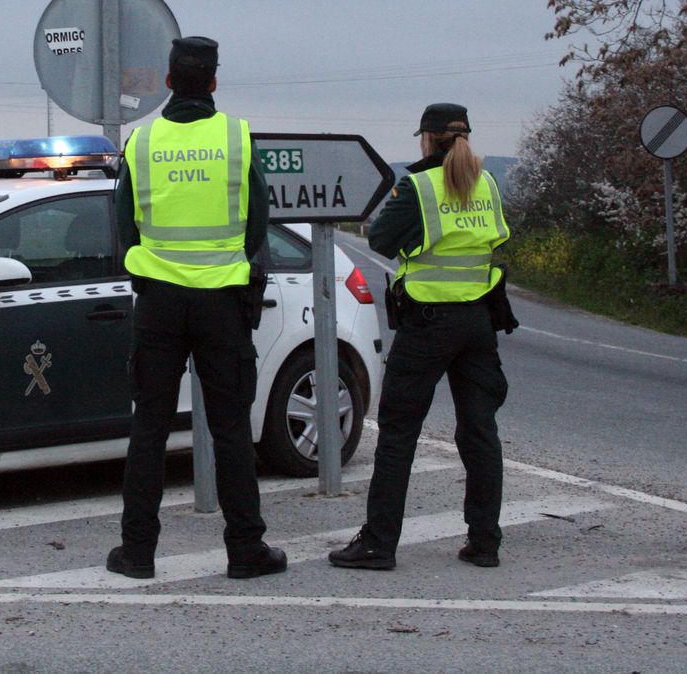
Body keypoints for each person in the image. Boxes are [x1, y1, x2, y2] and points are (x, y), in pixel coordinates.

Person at [107, 36, 286, 581]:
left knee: (150, 430)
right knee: (231, 429)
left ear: (167, 82)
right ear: (213, 82)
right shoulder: (236, 136)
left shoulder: (140, 143)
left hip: (159, 303)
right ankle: (245, 550)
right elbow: (258, 222)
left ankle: (137, 553)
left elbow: (122, 224)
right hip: (222, 304)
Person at [329, 102, 513, 571]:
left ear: (427, 139)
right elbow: (495, 240)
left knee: (398, 433)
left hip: (430, 323)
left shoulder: (419, 186)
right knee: (479, 431)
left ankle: (379, 543)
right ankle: (485, 542)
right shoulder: (487, 183)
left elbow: (382, 241)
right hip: (477, 321)